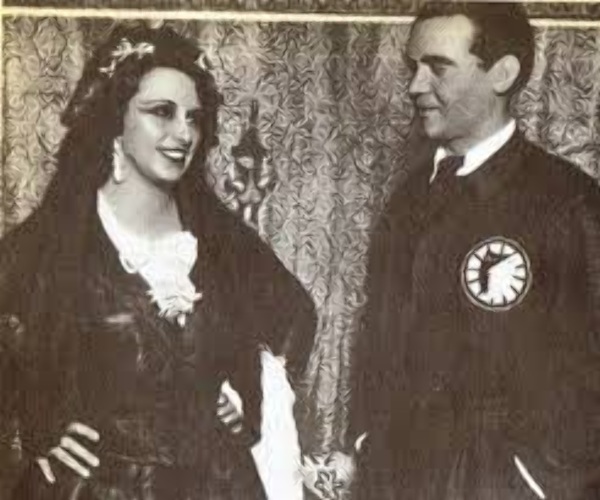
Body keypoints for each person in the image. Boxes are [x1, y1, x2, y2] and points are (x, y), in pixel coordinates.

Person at [0, 22, 316, 500]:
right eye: (161, 113)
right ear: (115, 119)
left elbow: (295, 315)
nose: (183, 133)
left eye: (194, 118)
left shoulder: (220, 238)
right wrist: (35, 431)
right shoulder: (53, 240)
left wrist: (245, 391)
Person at [347, 3, 600, 499]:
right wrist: (366, 442)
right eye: (413, 67)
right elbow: (376, 339)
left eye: (438, 68)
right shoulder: (407, 200)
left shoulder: (570, 203)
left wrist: (537, 482)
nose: (415, 86)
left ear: (502, 73)